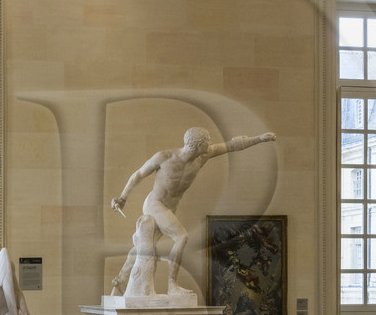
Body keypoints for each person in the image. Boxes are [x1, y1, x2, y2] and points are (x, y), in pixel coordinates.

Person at [109, 127, 276, 298]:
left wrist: (260, 138)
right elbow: (138, 174)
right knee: (181, 237)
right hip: (155, 204)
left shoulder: (203, 156)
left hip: (169, 208)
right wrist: (122, 198)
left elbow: (232, 145)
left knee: (143, 246)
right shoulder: (165, 157)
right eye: (207, 141)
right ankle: (172, 286)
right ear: (197, 145)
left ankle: (119, 283)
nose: (210, 144)